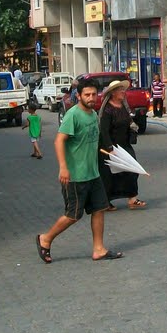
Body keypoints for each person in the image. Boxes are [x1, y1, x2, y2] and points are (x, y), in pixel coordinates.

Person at [35, 80, 123, 263]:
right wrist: (63, 168)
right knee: (73, 215)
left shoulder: (92, 114)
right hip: (76, 176)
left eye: (94, 94)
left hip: (93, 173)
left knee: (100, 209)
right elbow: (59, 141)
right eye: (87, 95)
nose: (91, 98)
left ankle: (98, 249)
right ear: (79, 95)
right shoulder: (73, 115)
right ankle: (46, 238)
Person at [99, 79, 146, 210]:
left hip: (124, 145)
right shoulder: (107, 110)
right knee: (110, 175)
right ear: (113, 93)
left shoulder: (124, 107)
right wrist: (109, 148)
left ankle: (132, 198)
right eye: (120, 90)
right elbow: (103, 131)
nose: (123, 92)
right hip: (111, 147)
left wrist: (133, 126)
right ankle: (106, 201)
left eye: (123, 89)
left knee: (133, 169)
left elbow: (128, 121)